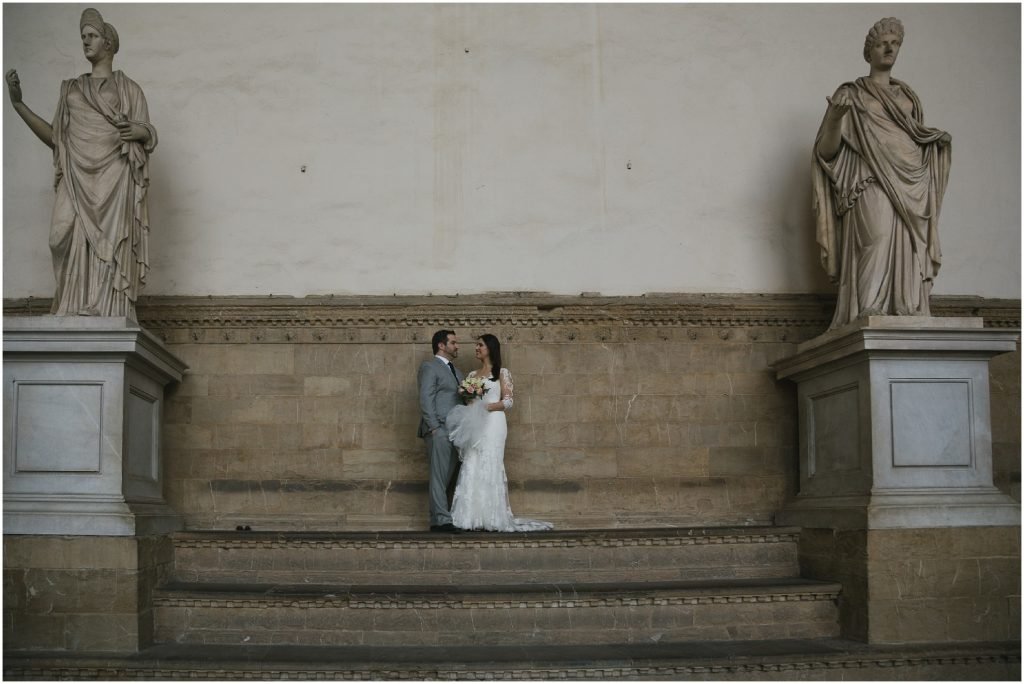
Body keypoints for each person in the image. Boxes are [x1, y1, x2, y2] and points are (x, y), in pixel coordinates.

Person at [6, 8, 157, 320]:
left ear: (108, 44)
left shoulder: (129, 89)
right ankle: (70, 305)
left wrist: (140, 131)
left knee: (109, 242)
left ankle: (102, 307)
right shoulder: (71, 89)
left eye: (92, 36)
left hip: (114, 176)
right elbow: (56, 138)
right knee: (58, 236)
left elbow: (147, 132)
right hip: (76, 175)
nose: (86, 41)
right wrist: (19, 104)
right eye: (83, 37)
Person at [813, 17, 951, 329]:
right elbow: (827, 153)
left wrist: (934, 141)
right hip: (870, 179)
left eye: (895, 43)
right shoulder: (852, 93)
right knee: (876, 238)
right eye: (881, 43)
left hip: (911, 184)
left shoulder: (908, 97)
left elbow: (913, 136)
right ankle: (869, 307)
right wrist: (835, 119)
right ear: (869, 52)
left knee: (909, 249)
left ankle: (906, 305)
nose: (889, 48)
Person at [446, 334, 553, 532]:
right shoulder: (471, 375)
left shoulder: (502, 373)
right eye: (477, 345)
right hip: (475, 423)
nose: (476, 348)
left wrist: (486, 406)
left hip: (494, 423)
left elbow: (509, 401)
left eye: (480, 345)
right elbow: (469, 403)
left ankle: (492, 516)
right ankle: (469, 516)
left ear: (490, 348)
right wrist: (471, 397)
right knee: (472, 460)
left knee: (491, 461)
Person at [417, 329, 463, 532]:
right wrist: (434, 427)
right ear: (441, 346)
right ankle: (440, 521)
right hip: (439, 430)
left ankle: (445, 516)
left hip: (456, 431)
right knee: (439, 475)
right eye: (453, 342)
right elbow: (426, 398)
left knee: (448, 476)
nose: (457, 346)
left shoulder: (457, 371)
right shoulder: (429, 367)